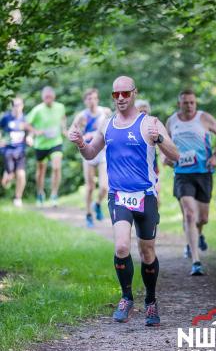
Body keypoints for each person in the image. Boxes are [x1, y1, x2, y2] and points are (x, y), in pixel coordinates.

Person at [68, 76, 179, 326]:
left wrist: (160, 139)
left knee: (147, 252)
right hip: (118, 196)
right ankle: (127, 297)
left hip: (146, 197)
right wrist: (79, 144)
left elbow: (176, 155)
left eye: (125, 93)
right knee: (121, 247)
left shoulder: (150, 123)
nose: (120, 98)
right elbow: (90, 153)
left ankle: (150, 301)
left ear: (134, 93)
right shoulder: (107, 125)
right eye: (116, 94)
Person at [165, 89, 216, 276]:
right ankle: (196, 261)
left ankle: (198, 234)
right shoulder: (172, 121)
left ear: (196, 103)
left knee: (202, 218)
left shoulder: (204, 118)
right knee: (190, 214)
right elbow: (164, 143)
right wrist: (166, 157)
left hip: (204, 172)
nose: (189, 106)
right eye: (185, 102)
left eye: (192, 102)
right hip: (182, 174)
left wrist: (215, 155)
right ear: (179, 104)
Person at [70, 88, 111, 227]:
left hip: (102, 152)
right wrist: (81, 135)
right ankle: (88, 215)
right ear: (85, 101)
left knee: (104, 187)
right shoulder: (81, 116)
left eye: (94, 98)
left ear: (97, 99)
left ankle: (98, 204)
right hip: (87, 153)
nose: (91, 101)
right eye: (89, 99)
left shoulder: (105, 112)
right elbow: (71, 133)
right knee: (90, 187)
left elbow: (112, 129)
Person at [27, 86, 67, 207]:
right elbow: (27, 124)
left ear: (53, 96)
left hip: (56, 142)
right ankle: (40, 193)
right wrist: (35, 132)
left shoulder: (60, 107)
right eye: (46, 97)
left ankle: (54, 194)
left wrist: (64, 128)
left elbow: (63, 118)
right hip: (41, 144)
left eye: (50, 97)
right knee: (41, 171)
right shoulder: (37, 110)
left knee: (56, 167)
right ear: (43, 97)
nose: (48, 99)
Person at [0, 97, 34, 206]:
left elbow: (31, 131)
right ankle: (8, 174)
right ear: (12, 106)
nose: (17, 107)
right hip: (8, 151)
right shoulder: (6, 118)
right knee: (7, 180)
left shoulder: (26, 119)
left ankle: (18, 198)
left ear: (23, 105)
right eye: (15, 105)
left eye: (19, 105)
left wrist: (30, 137)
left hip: (20, 150)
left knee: (21, 175)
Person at [135, 99, 161, 204]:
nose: (143, 113)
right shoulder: (131, 129)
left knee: (157, 200)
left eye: (145, 111)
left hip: (152, 169)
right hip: (136, 171)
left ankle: (153, 219)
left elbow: (162, 144)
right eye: (140, 111)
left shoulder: (152, 126)